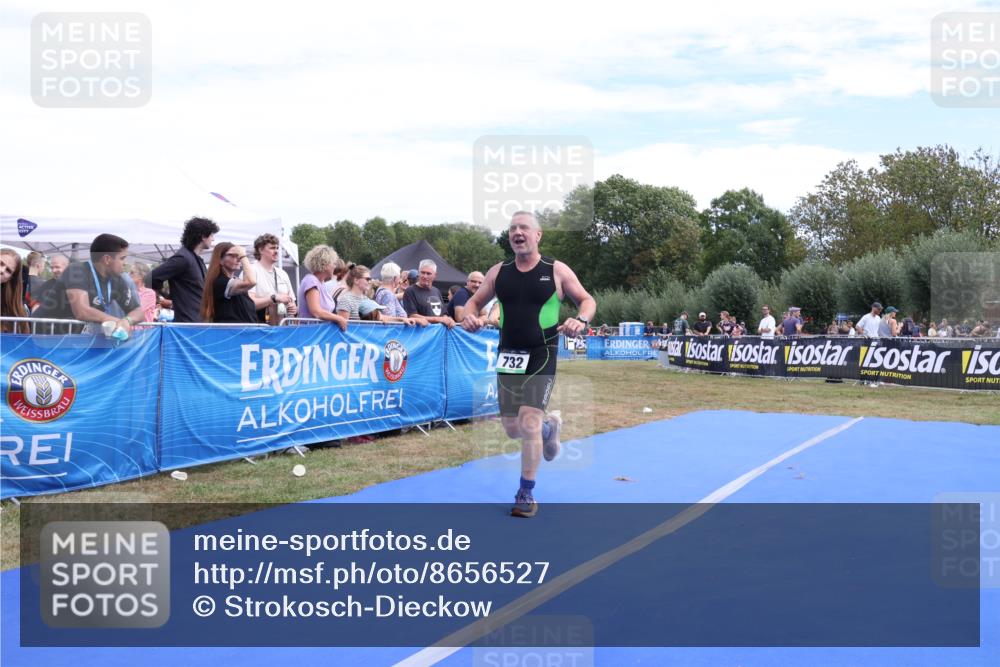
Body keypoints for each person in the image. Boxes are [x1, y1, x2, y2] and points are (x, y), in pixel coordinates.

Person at [461, 211, 596, 518]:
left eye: (524, 228)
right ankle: (551, 427)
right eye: (512, 229)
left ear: (538, 235)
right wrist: (468, 317)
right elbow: (473, 303)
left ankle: (526, 492)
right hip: (509, 353)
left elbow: (587, 301)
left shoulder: (556, 270)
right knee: (512, 429)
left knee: (528, 422)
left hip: (541, 352)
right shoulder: (499, 271)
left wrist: (581, 319)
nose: (517, 233)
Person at [62, 234, 144, 334]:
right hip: (52, 337)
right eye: (122, 258)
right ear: (107, 259)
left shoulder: (117, 279)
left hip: (77, 339)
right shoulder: (76, 270)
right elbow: (81, 311)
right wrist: (116, 321)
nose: (125, 263)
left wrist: (127, 321)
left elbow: (139, 311)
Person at [152, 217, 219, 322]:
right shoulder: (183, 258)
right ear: (203, 236)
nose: (213, 239)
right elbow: (152, 277)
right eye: (211, 235)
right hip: (187, 323)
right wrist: (165, 297)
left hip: (198, 322)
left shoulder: (196, 259)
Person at [337, 265, 416, 324]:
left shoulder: (365, 299)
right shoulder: (346, 300)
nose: (370, 281)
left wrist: (402, 319)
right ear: (356, 280)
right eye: (367, 279)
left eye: (370, 279)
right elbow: (342, 327)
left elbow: (381, 317)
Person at [201, 242, 258, 324]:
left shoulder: (235, 280)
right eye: (232, 255)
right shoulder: (220, 282)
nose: (238, 259)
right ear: (220, 260)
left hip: (244, 330)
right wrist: (243, 256)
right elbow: (251, 282)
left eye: (238, 255)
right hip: (231, 330)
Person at [296, 245, 348, 330]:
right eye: (333, 263)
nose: (335, 266)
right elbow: (316, 311)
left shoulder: (321, 283)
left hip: (318, 332)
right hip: (311, 332)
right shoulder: (311, 281)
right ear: (325, 264)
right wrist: (339, 318)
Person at [249, 233, 297, 324]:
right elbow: (249, 304)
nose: (276, 251)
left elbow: (292, 301)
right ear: (260, 250)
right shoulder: (251, 270)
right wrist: (273, 298)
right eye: (272, 248)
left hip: (282, 326)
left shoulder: (283, 274)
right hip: (260, 327)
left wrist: (293, 308)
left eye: (277, 248)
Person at [402, 259, 455, 327]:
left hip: (438, 332)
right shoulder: (410, 291)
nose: (425, 276)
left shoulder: (436, 291)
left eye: (428, 273)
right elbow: (412, 316)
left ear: (435, 275)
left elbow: (443, 313)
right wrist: (438, 319)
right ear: (418, 273)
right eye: (422, 272)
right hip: (421, 332)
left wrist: (449, 320)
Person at [0, 248, 29, 333]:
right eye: (1, 263)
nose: (2, 270)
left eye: (8, 270)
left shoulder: (12, 308)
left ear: (9, 279)